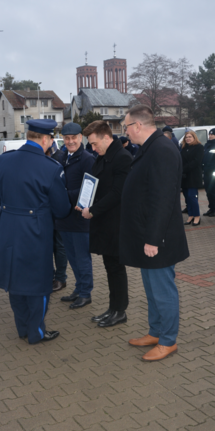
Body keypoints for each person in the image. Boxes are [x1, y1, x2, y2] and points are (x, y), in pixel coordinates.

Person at [0, 119, 71, 344]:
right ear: (46, 139)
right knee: (40, 282)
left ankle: (23, 328)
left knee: (14, 279)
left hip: (7, 227)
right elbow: (62, 209)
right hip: (35, 231)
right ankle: (36, 332)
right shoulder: (51, 167)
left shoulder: (4, 160)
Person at [120, 105, 189, 361]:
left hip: (157, 237)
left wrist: (154, 238)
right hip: (146, 233)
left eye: (126, 126)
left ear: (138, 125)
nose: (124, 132)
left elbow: (163, 198)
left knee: (163, 290)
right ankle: (156, 332)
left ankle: (168, 341)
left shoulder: (161, 149)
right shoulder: (150, 147)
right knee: (152, 289)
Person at [77, 120, 132, 327]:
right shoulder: (102, 157)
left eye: (93, 143)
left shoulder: (122, 158)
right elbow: (92, 183)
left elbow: (118, 193)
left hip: (115, 222)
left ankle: (120, 311)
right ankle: (112, 308)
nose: (92, 148)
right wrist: (83, 203)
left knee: (117, 268)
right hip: (104, 221)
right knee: (110, 267)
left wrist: (92, 210)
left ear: (107, 137)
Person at [55, 123, 95, 309]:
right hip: (63, 217)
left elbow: (90, 187)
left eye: (74, 137)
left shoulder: (87, 158)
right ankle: (78, 289)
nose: (70, 141)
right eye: (66, 138)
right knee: (71, 257)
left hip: (79, 218)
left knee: (82, 257)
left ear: (81, 137)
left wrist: (64, 195)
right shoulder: (60, 157)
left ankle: (86, 293)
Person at [44, 140, 68, 292]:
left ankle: (60, 278)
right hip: (44, 210)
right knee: (47, 244)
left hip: (57, 209)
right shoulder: (40, 157)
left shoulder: (59, 156)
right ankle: (49, 276)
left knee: (59, 245)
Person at [181, 130, 204, 226]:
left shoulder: (199, 147)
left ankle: (197, 216)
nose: (188, 139)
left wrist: (183, 169)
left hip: (193, 176)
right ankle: (190, 215)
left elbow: (196, 161)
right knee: (187, 197)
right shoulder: (183, 148)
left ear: (194, 137)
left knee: (192, 196)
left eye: (190, 137)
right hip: (184, 176)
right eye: (186, 137)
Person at [202, 128, 215, 217]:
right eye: (209, 134)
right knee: (208, 191)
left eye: (212, 134)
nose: (210, 136)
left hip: (213, 173)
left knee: (213, 191)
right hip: (206, 172)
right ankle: (211, 208)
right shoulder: (207, 145)